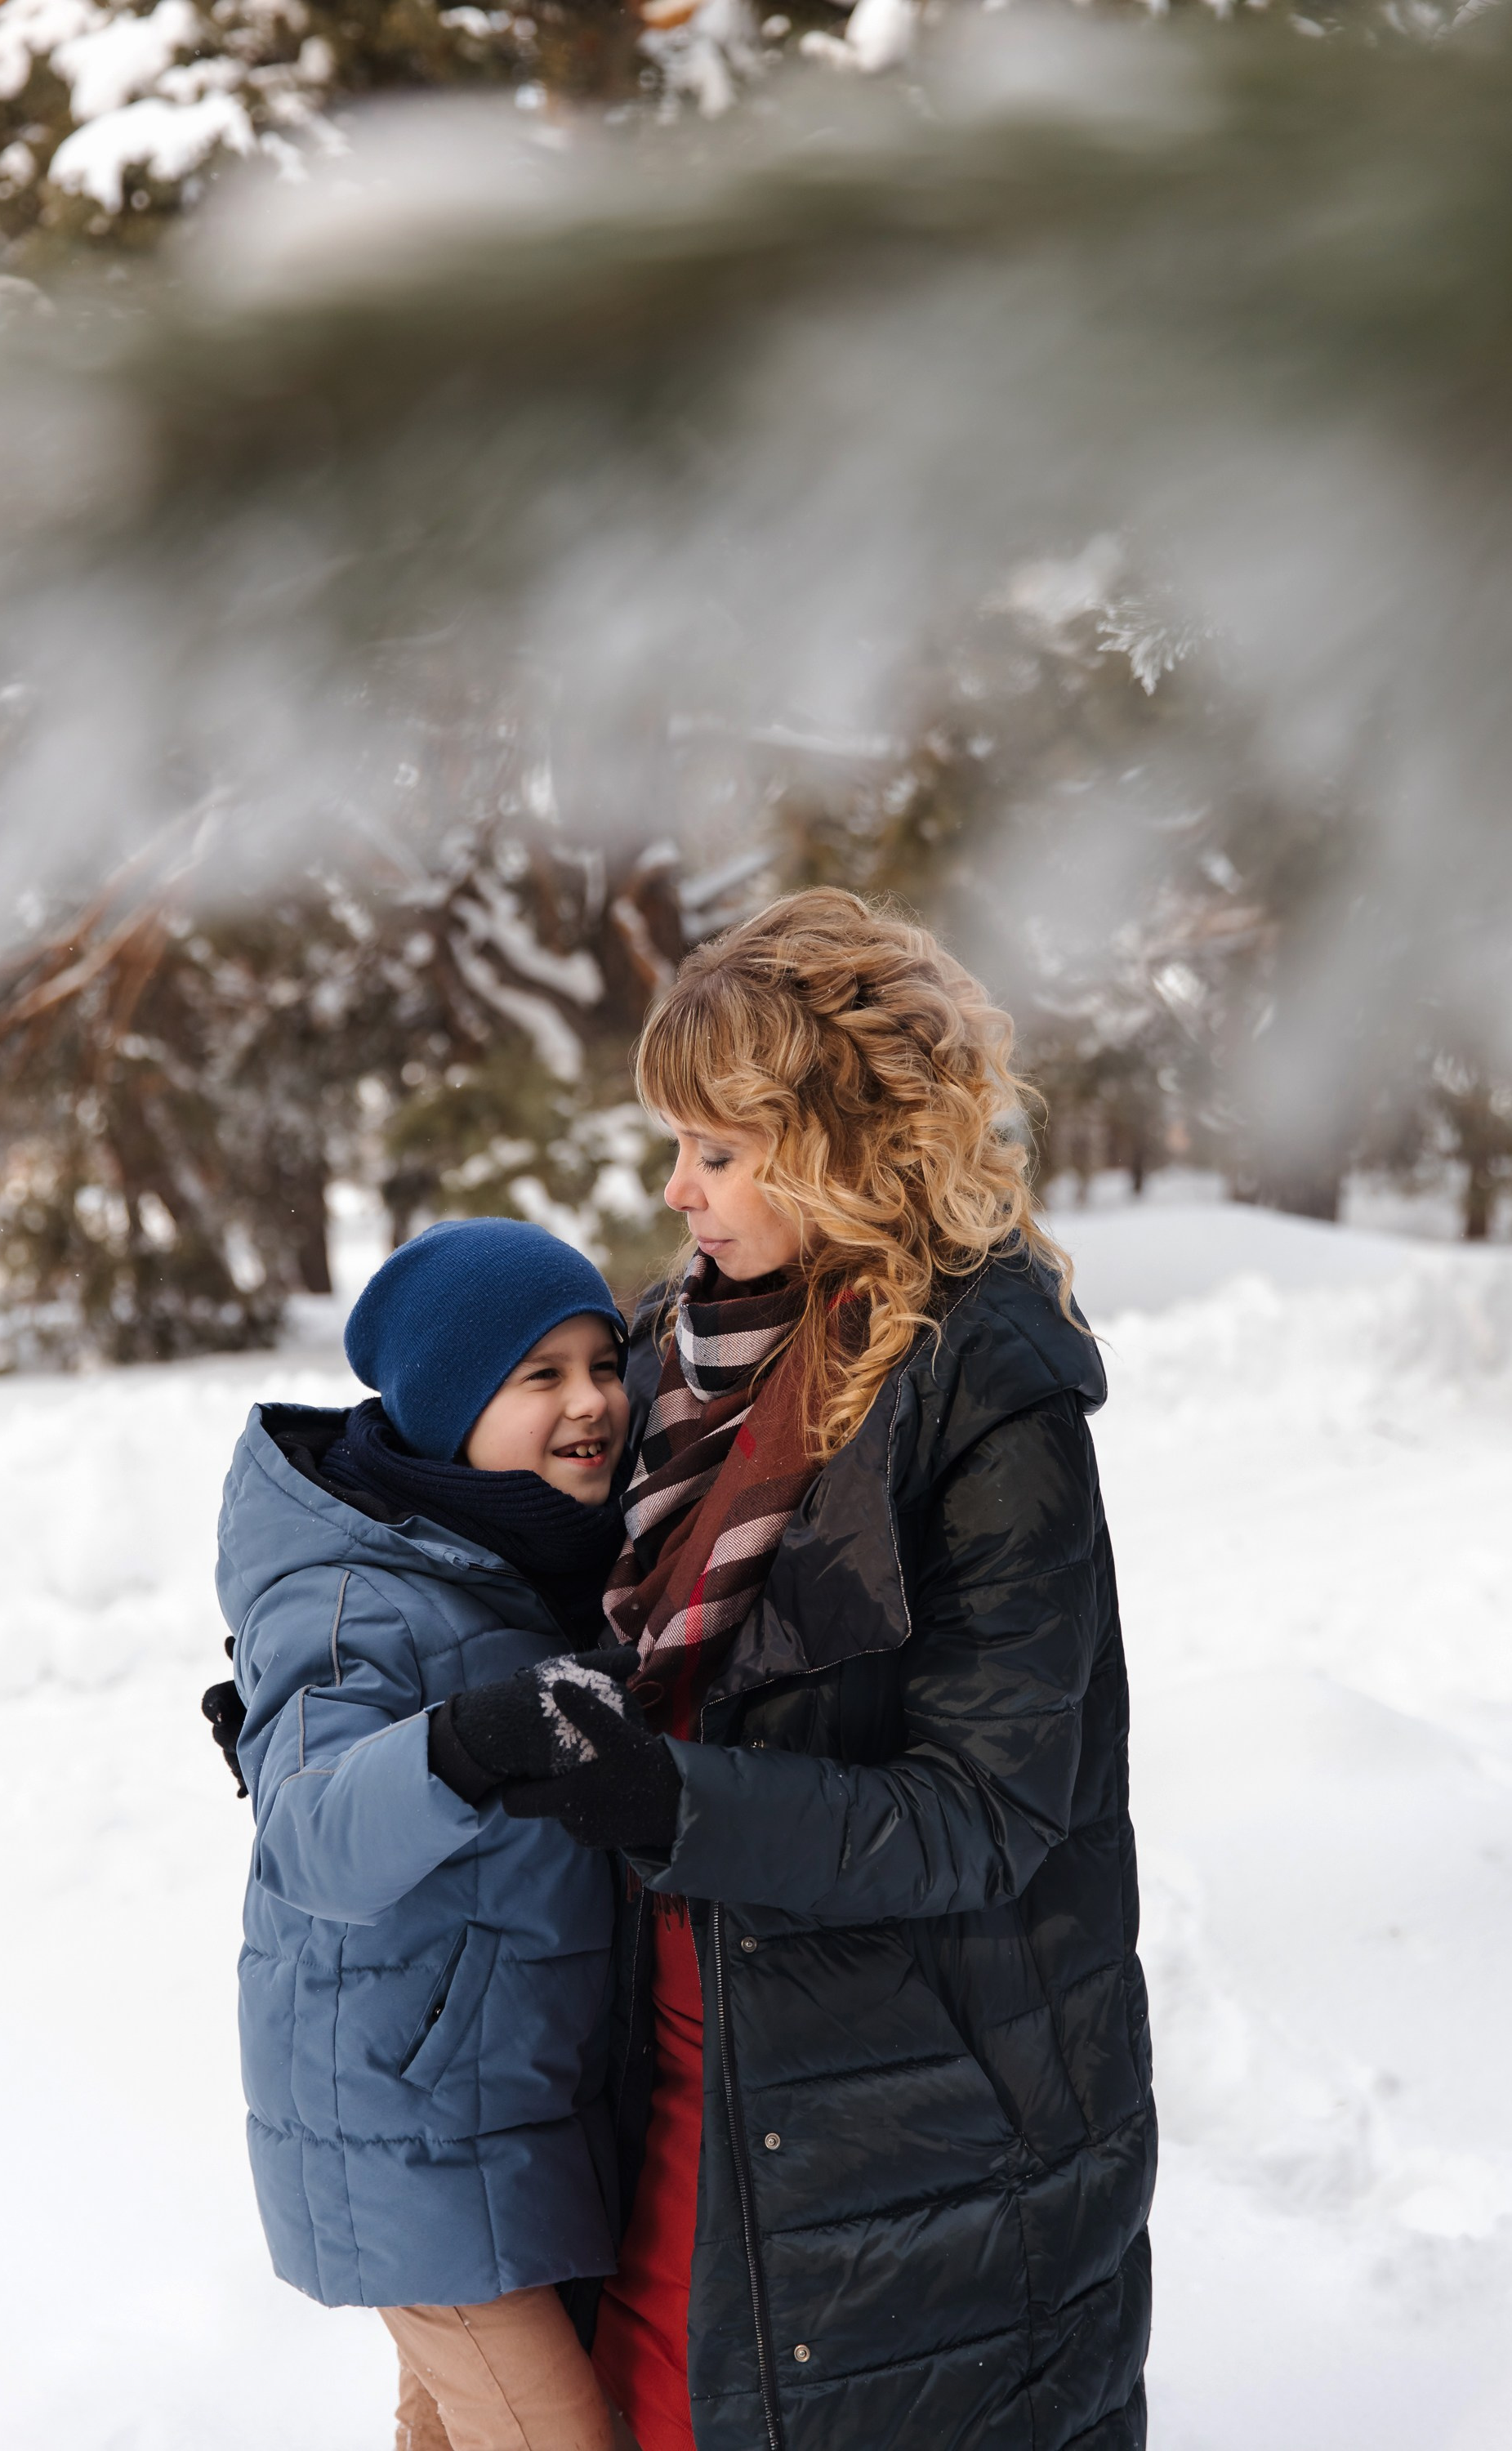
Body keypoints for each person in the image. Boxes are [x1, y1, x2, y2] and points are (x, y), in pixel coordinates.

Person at [487, 890, 1157, 2451]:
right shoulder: (669, 1353)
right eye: (677, 1146)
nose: (677, 1190)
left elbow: (989, 1810)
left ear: (845, 1142)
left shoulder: (988, 1391)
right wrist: (343, 1705)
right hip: (669, 2077)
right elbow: (516, 1569)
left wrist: (675, 1799)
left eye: (718, 1151)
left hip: (910, 2121)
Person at [212, 1216, 646, 2451]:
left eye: (602, 1364)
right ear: (449, 1404)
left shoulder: (535, 1550)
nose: (592, 1404)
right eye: (540, 1376)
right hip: (411, 2130)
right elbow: (309, 1839)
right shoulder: (357, 1591)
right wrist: (466, 1740)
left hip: (503, 2110)